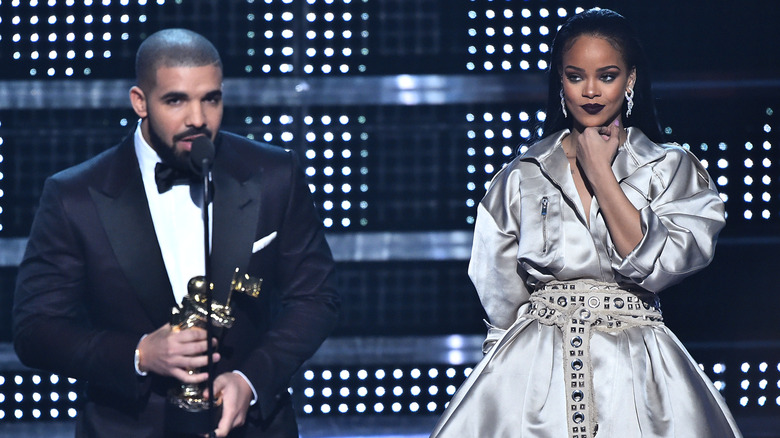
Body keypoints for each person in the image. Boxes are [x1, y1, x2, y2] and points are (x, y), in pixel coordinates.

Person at [13, 28, 340, 438]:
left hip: (252, 426)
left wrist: (250, 380)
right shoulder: (74, 197)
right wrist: (139, 353)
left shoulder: (274, 175)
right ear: (140, 102)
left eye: (211, 99)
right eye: (175, 100)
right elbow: (35, 331)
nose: (198, 119)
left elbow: (315, 297)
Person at [430, 9, 741, 438]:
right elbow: (498, 293)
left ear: (630, 79)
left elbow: (658, 268)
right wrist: (498, 372)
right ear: (560, 81)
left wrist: (600, 173)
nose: (591, 91)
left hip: (639, 371)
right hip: (531, 372)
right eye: (576, 77)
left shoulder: (668, 168)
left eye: (607, 76)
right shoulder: (523, 174)